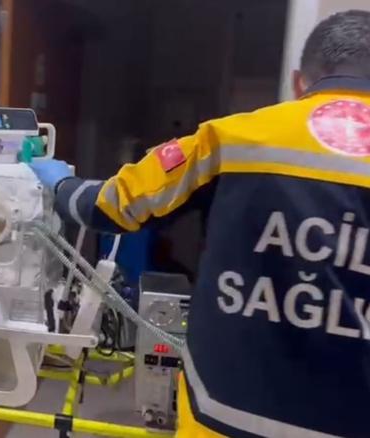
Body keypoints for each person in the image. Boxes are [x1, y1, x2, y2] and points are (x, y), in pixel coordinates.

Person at [30, 10, 370, 438]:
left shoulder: (232, 139)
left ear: (299, 82)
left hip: (222, 418)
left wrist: (59, 181)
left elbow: (109, 208)